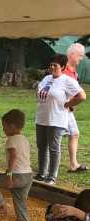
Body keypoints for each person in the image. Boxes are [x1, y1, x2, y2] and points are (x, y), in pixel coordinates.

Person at [35, 54, 86, 185]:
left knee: (53, 148)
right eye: (51, 64)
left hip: (56, 120)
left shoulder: (67, 81)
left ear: (63, 67)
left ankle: (51, 177)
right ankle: (41, 174)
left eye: (55, 65)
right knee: (41, 147)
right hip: (41, 118)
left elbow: (82, 96)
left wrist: (68, 104)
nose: (52, 67)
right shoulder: (46, 78)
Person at [0, 109, 33, 221]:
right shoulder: (24, 139)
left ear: (11, 126)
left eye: (4, 126)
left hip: (17, 176)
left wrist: (9, 175)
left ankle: (1, 205)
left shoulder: (11, 140)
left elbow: (14, 157)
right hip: (28, 176)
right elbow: (22, 158)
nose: (3, 129)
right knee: (20, 201)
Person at [65, 43, 87, 173]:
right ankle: (47, 166)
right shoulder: (63, 70)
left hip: (68, 110)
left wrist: (71, 104)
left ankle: (73, 164)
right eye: (80, 55)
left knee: (74, 134)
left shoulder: (74, 72)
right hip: (61, 110)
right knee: (53, 139)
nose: (81, 58)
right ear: (72, 55)